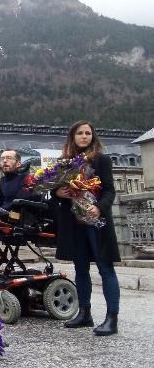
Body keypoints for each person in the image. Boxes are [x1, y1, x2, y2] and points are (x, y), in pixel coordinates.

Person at [53, 121, 121, 336]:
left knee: (105, 269)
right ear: (72, 136)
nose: (84, 136)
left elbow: (110, 191)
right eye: (80, 133)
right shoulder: (64, 163)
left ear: (93, 136)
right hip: (75, 224)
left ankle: (112, 319)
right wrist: (57, 193)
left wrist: (99, 207)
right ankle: (84, 313)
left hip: (97, 222)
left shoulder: (102, 160)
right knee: (81, 269)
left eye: (88, 133)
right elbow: (55, 191)